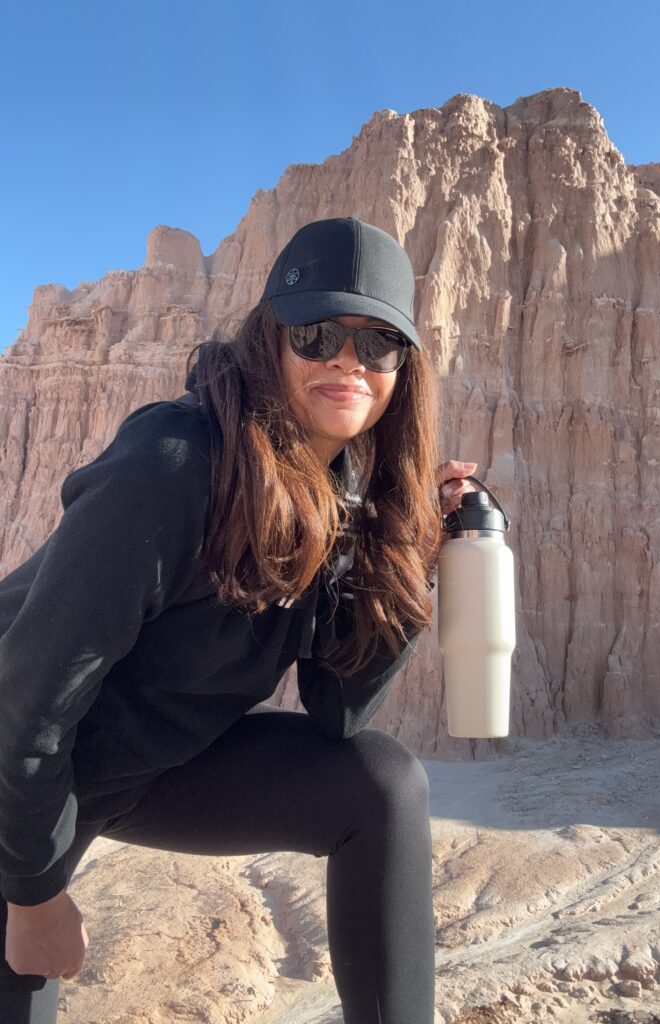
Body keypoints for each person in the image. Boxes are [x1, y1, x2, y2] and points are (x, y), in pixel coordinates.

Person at [0, 216, 478, 1024]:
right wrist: (36, 894)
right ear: (270, 337)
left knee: (381, 785)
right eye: (317, 332)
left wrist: (410, 555)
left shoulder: (344, 504)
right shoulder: (177, 462)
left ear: (406, 367)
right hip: (18, 769)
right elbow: (27, 698)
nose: (347, 362)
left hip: (141, 773)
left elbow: (339, 711)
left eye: (378, 344)